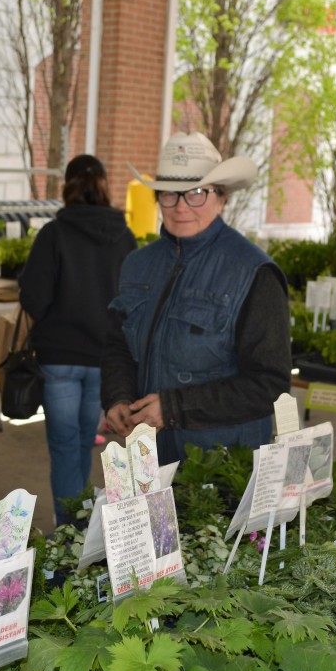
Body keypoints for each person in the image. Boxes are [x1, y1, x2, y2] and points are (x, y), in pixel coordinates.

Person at [101, 132, 292, 466]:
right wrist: (118, 397)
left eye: (197, 194)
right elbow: (118, 345)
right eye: (170, 195)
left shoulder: (254, 272)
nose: (181, 207)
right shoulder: (138, 264)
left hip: (224, 466)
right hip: (148, 458)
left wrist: (173, 408)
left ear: (222, 198)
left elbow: (269, 385)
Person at [19, 154, 136, 526]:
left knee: (65, 447)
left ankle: (70, 533)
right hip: (105, 359)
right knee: (85, 444)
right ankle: (80, 526)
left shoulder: (53, 234)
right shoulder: (125, 237)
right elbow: (134, 300)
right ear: (104, 186)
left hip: (60, 360)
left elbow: (33, 299)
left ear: (66, 187)